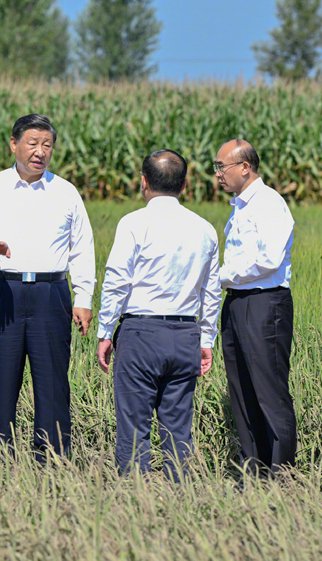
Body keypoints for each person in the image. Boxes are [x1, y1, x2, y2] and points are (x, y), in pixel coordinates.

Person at [0, 114, 96, 472]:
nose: (40, 152)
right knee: (2, 379)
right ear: (14, 144)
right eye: (32, 143)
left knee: (52, 380)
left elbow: (82, 247)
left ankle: (52, 460)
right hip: (6, 291)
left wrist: (83, 298)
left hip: (51, 292)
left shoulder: (65, 191)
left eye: (47, 145)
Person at [96, 149, 221, 480]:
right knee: (178, 429)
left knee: (134, 427)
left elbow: (117, 280)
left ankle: (135, 500)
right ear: (185, 185)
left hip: (140, 334)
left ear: (143, 182)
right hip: (185, 336)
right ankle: (179, 498)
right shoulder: (205, 229)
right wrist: (207, 338)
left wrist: (105, 331)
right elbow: (211, 290)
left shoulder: (134, 223)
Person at [215, 139, 297, 478]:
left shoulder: (268, 203)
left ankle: (282, 474)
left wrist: (220, 276)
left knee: (269, 391)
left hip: (264, 304)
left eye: (222, 166)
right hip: (236, 303)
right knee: (242, 392)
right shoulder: (240, 207)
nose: (217, 174)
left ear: (245, 167)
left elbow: (268, 259)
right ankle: (254, 472)